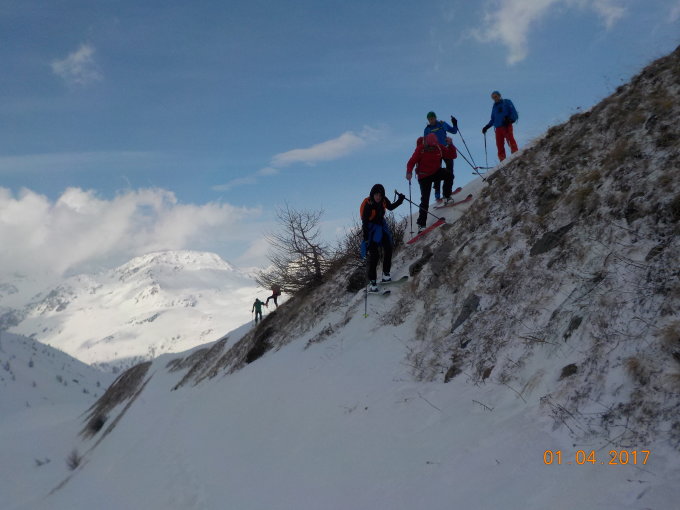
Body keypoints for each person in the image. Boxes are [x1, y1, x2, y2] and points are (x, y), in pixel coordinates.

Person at [360, 184, 405, 292]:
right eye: (376, 194)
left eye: (380, 195)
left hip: (381, 227)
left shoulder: (384, 200)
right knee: (374, 255)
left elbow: (390, 207)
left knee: (388, 247)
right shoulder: (368, 204)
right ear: (372, 194)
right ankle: (373, 282)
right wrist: (366, 239)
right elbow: (365, 223)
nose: (378, 197)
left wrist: (400, 200)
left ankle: (386, 274)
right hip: (371, 230)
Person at [406, 133, 444, 232]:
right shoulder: (420, 148)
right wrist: (409, 172)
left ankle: (445, 195)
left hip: (433, 173)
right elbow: (411, 161)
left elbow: (451, 155)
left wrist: (450, 145)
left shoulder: (435, 146)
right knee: (425, 199)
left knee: (448, 175)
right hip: (423, 176)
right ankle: (421, 224)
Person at [424, 111, 458, 201]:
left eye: (432, 118)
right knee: (436, 172)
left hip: (446, 149)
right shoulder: (427, 129)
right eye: (429, 119)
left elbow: (454, 131)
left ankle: (447, 192)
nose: (431, 120)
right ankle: (437, 193)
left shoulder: (442, 124)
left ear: (435, 118)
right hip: (435, 152)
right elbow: (425, 143)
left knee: (450, 170)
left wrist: (455, 123)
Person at [482, 91, 518, 162]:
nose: (495, 98)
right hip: (498, 128)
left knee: (510, 139)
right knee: (499, 144)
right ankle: (502, 160)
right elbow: (493, 119)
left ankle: (515, 153)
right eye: (493, 98)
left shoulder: (506, 102)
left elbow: (513, 112)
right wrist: (487, 127)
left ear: (499, 95)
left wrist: (510, 120)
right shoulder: (494, 107)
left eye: (495, 96)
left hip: (506, 125)